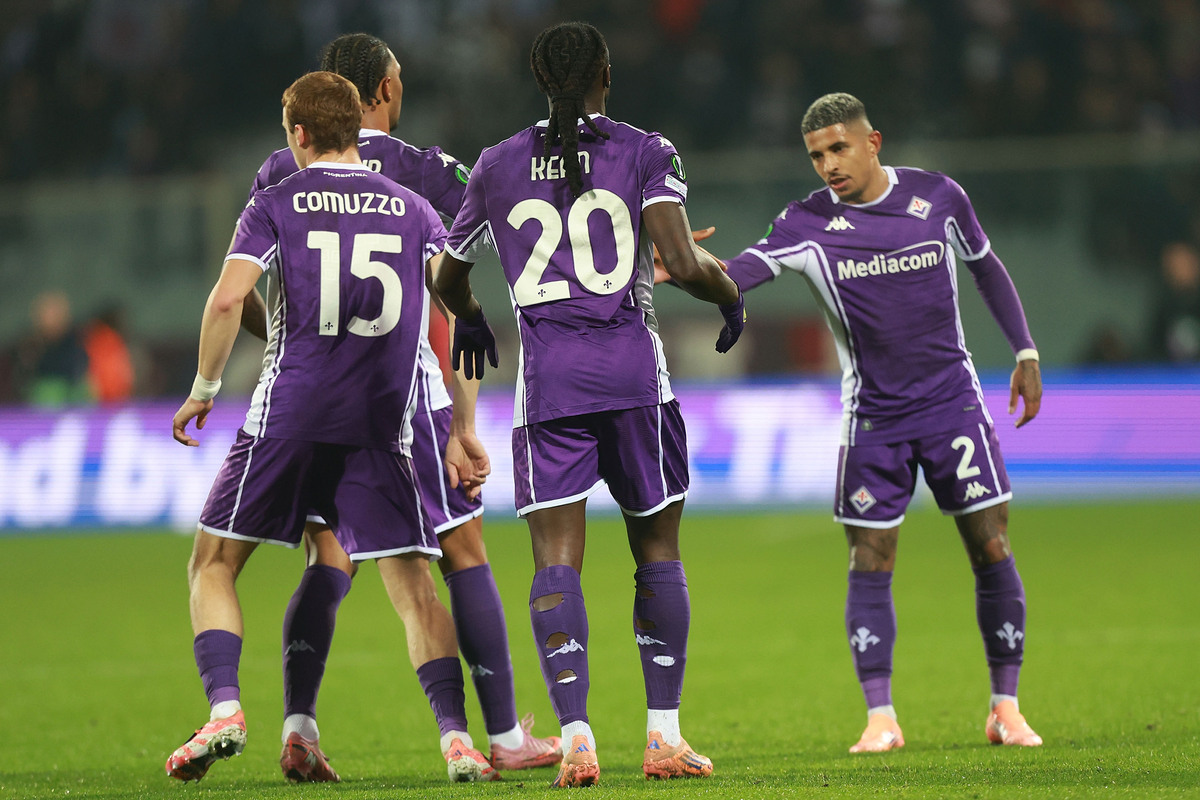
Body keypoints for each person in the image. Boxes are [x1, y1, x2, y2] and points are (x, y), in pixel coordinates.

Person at [240, 32, 559, 782]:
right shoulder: (429, 175)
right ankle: (503, 736)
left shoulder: (281, 172)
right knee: (460, 551)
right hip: (399, 398)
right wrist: (466, 421)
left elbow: (243, 288)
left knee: (330, 556)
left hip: (307, 401)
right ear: (384, 89)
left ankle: (299, 726)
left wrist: (286, 354)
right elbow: (460, 294)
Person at [434, 21, 745, 788]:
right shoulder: (647, 150)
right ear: (606, 72)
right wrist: (729, 293)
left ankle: (575, 737)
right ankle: (664, 738)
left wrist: (472, 318)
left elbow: (447, 270)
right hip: (637, 383)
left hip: (551, 392)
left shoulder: (498, 164)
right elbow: (679, 258)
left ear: (541, 79)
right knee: (658, 553)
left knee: (555, 563)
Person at [166, 70, 499, 785]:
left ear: (298, 134)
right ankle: (457, 742)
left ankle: (226, 709)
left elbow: (229, 300)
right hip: (383, 422)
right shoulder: (413, 208)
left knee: (215, 563)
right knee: (414, 585)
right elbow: (461, 313)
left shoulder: (274, 200)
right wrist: (462, 421)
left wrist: (203, 389)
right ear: (361, 125)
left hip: (289, 412)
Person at [699, 92, 1044, 752]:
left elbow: (986, 268)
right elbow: (739, 275)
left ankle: (1006, 706)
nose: (828, 164)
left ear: (872, 141)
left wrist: (1025, 350)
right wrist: (689, 269)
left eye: (838, 148)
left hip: (952, 407)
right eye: (816, 155)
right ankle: (880, 717)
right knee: (870, 556)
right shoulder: (805, 221)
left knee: (990, 544)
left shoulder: (939, 197)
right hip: (874, 421)